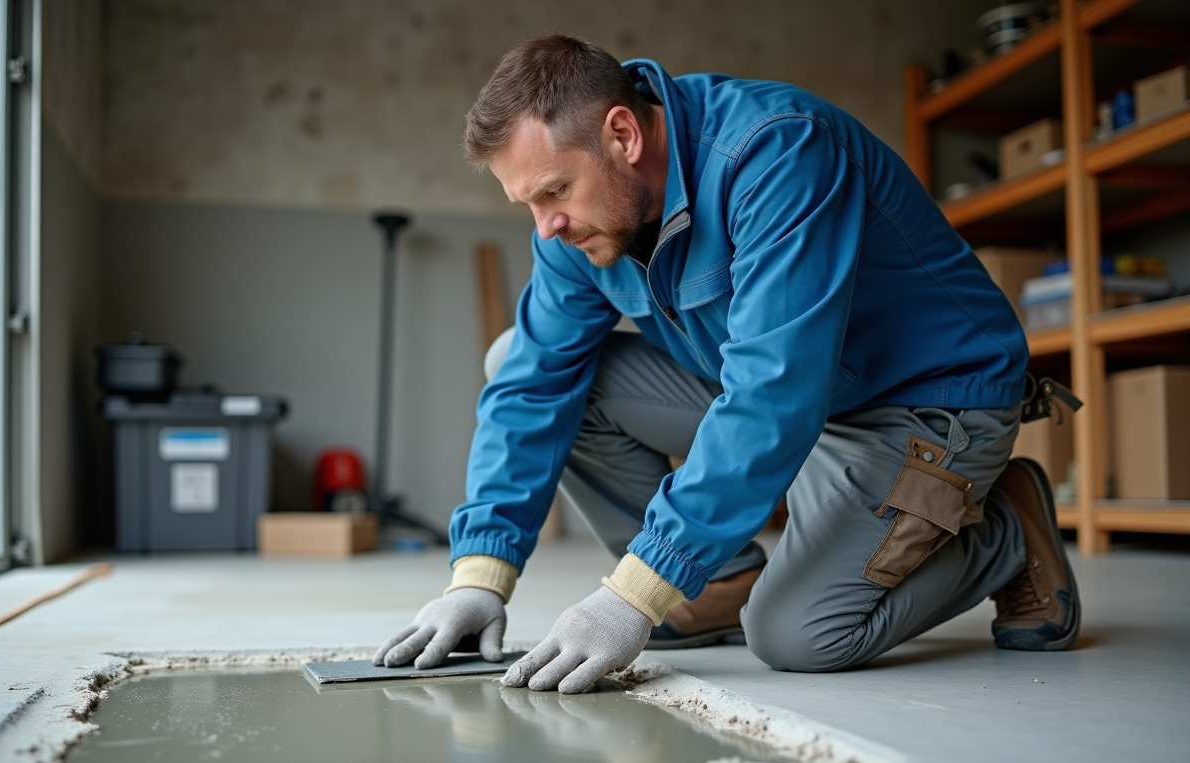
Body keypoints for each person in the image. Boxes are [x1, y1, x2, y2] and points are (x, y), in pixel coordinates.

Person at [372, 34, 1080, 694]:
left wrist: (637, 591)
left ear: (622, 134)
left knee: (797, 635)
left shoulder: (777, 153)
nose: (546, 227)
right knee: (514, 360)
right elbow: (532, 382)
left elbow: (776, 388)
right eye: (527, 203)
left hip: (922, 404)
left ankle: (1006, 531)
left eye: (554, 191)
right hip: (796, 400)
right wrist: (480, 575)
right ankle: (719, 584)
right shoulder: (576, 226)